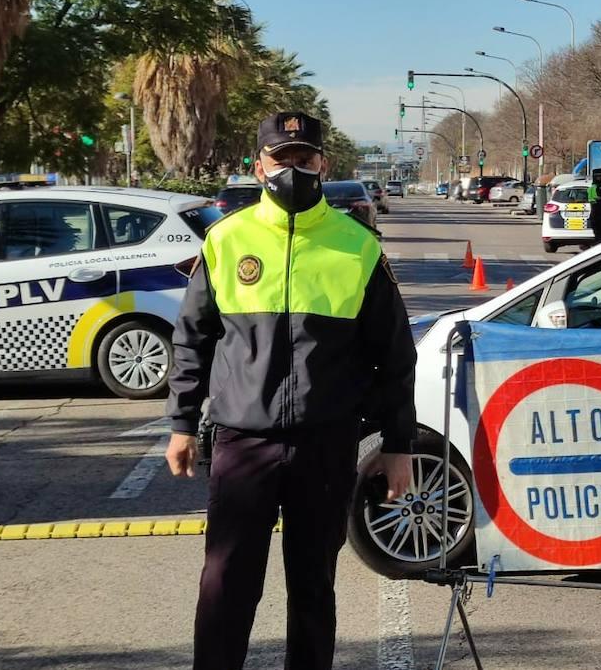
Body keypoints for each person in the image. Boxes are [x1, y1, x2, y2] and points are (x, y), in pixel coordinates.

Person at [165, 111, 417, 670]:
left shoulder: (358, 247)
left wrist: (397, 445)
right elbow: (192, 340)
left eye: (306, 159)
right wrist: (182, 424)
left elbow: (396, 356)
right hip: (241, 440)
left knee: (313, 587)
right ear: (259, 166)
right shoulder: (225, 241)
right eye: (283, 159)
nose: (294, 170)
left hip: (324, 444)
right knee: (226, 583)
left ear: (323, 163)